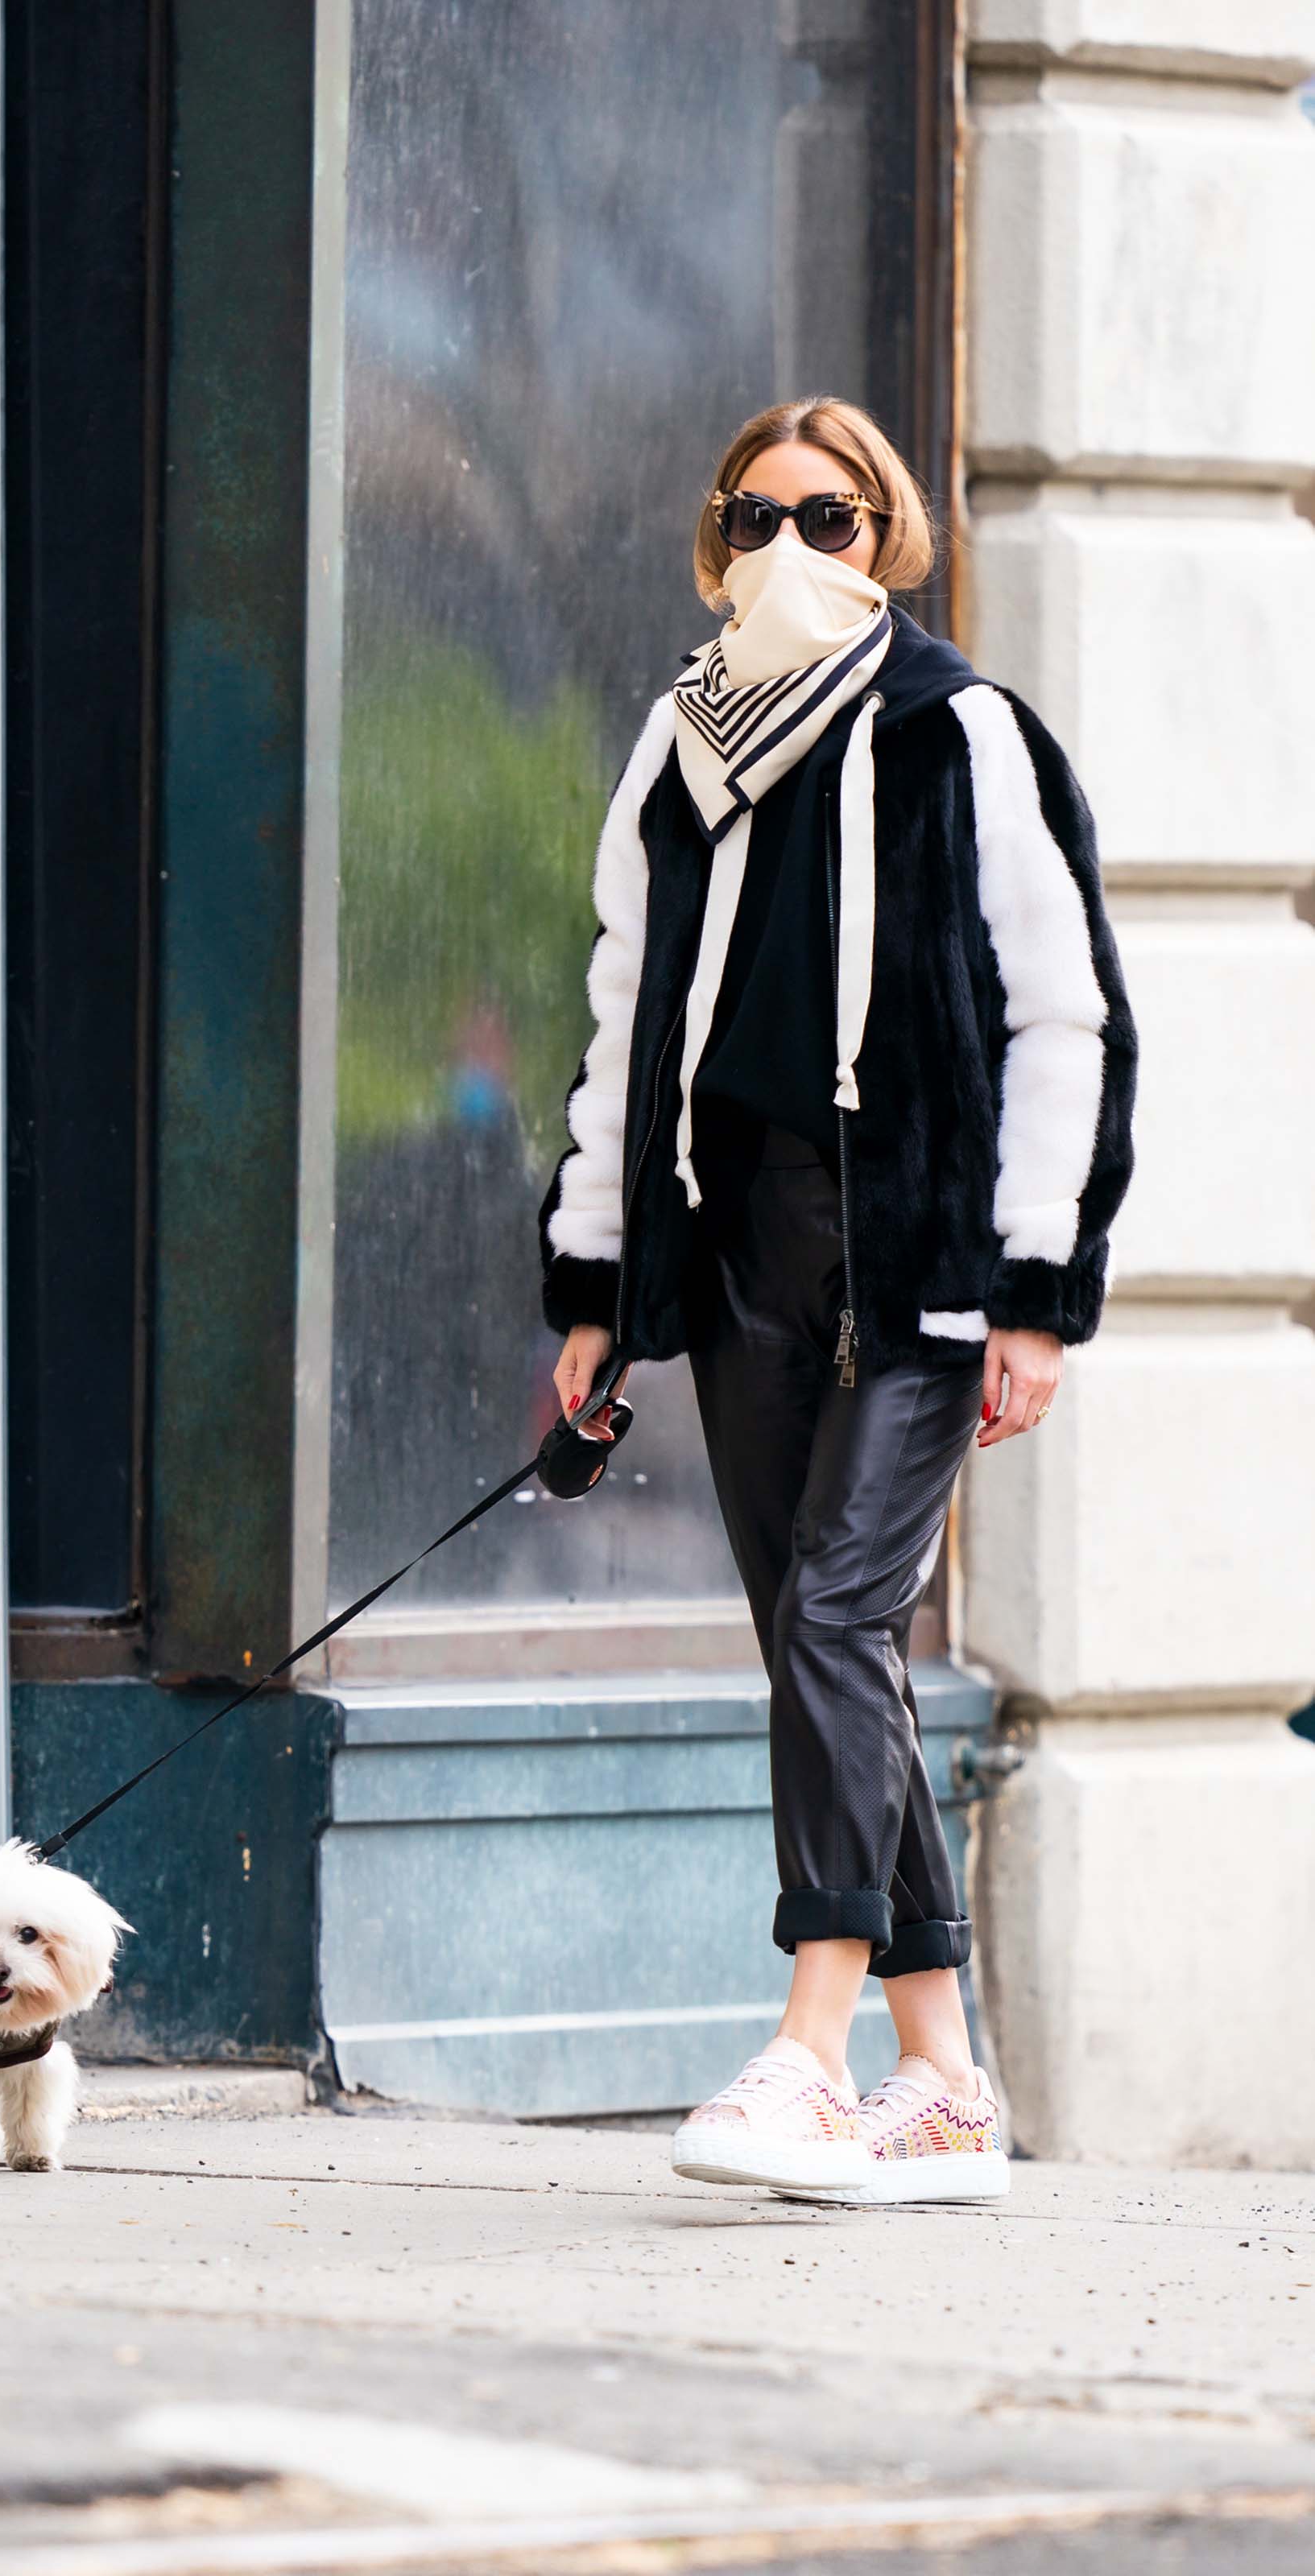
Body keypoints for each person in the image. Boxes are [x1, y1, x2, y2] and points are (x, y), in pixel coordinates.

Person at [536, 396, 1136, 2205]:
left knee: (831, 1623)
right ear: (716, 540)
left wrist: (1032, 1284)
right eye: (753, 513)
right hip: (739, 1259)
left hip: (922, 1265)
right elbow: (624, 1017)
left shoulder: (961, 731)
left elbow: (1065, 1017)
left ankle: (808, 2044)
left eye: (829, 510)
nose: (789, 540)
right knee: (829, 1638)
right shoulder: (680, 742)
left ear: (885, 532)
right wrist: (596, 1277)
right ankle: (944, 2077)